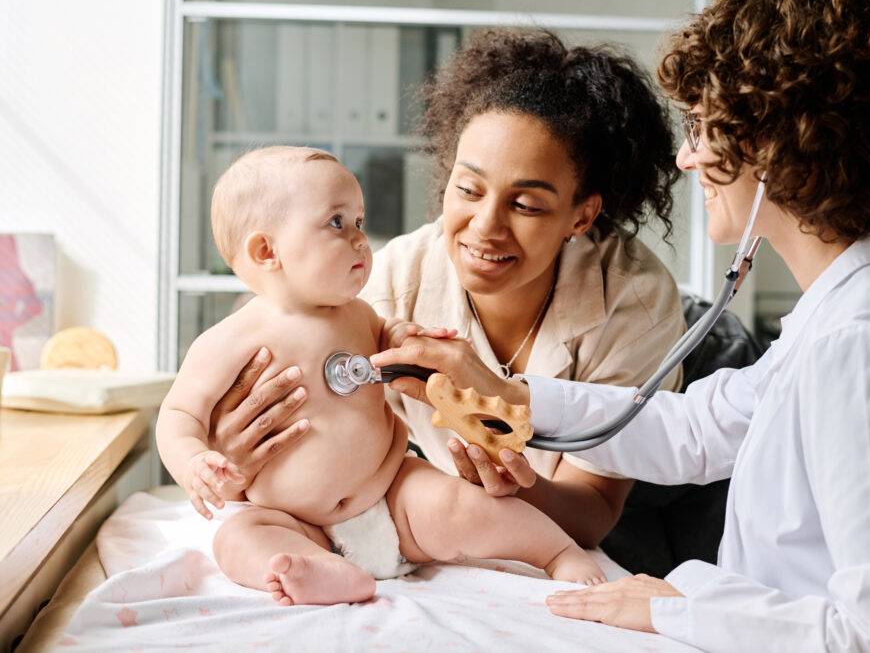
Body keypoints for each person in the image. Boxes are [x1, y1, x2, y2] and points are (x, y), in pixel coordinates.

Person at [369, 0, 870, 650]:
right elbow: (699, 428)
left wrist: (678, 609)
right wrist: (510, 394)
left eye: (700, 128)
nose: (685, 157)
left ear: (773, 147)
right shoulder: (863, 304)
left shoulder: (866, 345)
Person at [205, 28, 688, 552]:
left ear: (582, 215)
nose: (486, 227)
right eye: (468, 189)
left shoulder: (632, 304)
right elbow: (269, 325)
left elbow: (592, 514)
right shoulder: (390, 286)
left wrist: (512, 487)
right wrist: (238, 449)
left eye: (526, 205)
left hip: (621, 520)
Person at [155, 146, 605, 608]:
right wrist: (193, 463)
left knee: (465, 507)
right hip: (293, 519)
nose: (358, 239)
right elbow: (178, 414)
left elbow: (387, 342)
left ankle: (557, 553)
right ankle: (322, 571)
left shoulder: (360, 313)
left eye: (359, 222)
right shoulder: (229, 340)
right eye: (337, 222)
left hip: (393, 493)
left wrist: (403, 336)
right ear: (267, 251)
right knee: (237, 539)